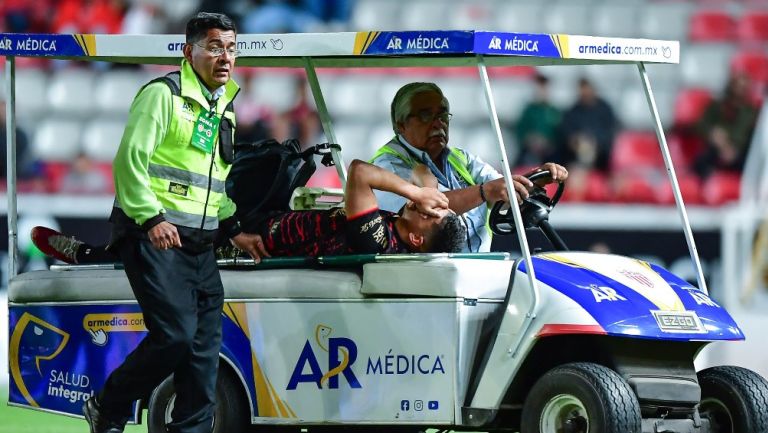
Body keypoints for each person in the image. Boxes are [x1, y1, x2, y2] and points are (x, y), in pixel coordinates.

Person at [77, 12, 265, 433]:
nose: (225, 57)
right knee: (176, 336)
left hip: (200, 245)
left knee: (203, 353)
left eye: (231, 48)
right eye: (215, 47)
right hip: (152, 236)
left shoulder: (224, 108)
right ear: (189, 51)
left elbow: (213, 185)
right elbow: (129, 162)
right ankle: (108, 405)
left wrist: (235, 230)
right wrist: (152, 218)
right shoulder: (162, 95)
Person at [32, 159, 466, 263]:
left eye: (429, 215)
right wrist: (432, 196)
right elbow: (423, 171)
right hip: (266, 220)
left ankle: (90, 255)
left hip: (257, 246)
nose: (420, 204)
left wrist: (416, 190)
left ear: (416, 238)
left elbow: (358, 172)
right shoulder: (403, 232)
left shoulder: (379, 238)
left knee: (168, 239)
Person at [370, 82, 568, 253]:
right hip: (428, 278)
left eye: (443, 115)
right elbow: (427, 210)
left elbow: (499, 188)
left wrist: (534, 179)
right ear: (400, 125)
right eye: (425, 116)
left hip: (477, 271)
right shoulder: (388, 164)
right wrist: (484, 192)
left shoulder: (461, 158)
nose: (438, 124)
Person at [693, 73, 758, 179]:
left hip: (739, 154)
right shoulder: (717, 106)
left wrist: (731, 149)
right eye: (738, 86)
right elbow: (700, 125)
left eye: (744, 87)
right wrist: (713, 133)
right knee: (700, 163)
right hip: (715, 150)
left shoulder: (750, 112)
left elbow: (751, 137)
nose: (740, 90)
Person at [557, 77, 619, 172]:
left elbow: (610, 132)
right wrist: (576, 141)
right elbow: (566, 134)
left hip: (601, 157)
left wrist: (595, 141)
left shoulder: (605, 109)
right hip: (575, 156)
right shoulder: (573, 111)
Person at [515, 74, 562, 167]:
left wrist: (548, 143)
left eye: (544, 87)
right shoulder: (529, 110)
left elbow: (560, 135)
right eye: (539, 87)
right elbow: (520, 131)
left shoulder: (554, 111)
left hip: (550, 152)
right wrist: (530, 140)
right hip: (530, 151)